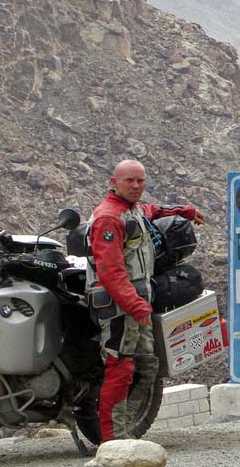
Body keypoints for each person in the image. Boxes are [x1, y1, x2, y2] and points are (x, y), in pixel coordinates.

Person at [86, 159, 204, 443]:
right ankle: (113, 439)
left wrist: (183, 211)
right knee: (120, 366)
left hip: (137, 307)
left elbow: (154, 210)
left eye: (140, 181)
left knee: (147, 366)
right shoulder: (108, 219)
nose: (136, 186)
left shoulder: (132, 211)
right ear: (114, 183)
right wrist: (136, 306)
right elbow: (111, 272)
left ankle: (128, 427)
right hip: (119, 310)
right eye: (130, 181)